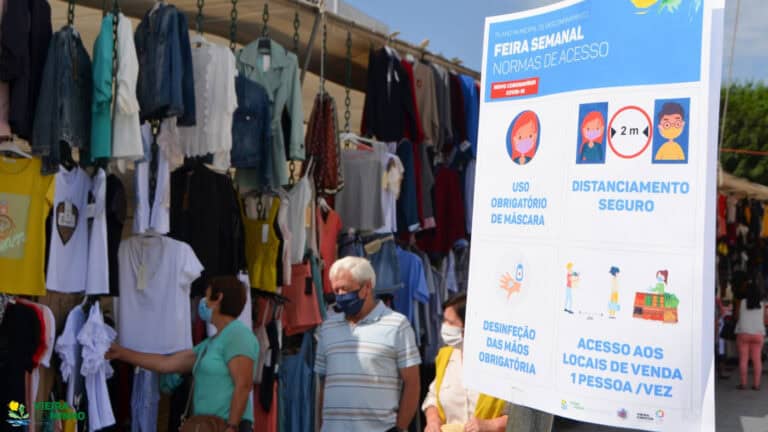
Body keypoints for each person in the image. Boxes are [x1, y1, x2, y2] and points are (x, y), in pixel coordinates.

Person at [106, 276, 259, 432]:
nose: (203, 302)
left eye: (207, 296)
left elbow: (243, 384)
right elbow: (165, 363)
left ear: (218, 298)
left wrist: (232, 426)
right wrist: (121, 353)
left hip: (227, 426)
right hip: (206, 426)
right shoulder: (210, 344)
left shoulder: (238, 334)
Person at [315, 256, 421, 432]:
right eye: (336, 290)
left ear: (367, 287)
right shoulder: (327, 327)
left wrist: (400, 428)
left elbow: (412, 383)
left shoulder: (397, 325)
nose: (340, 295)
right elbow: (324, 384)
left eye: (345, 289)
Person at [423, 293, 508, 432]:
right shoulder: (446, 356)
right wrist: (432, 421)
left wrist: (491, 425)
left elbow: (523, 413)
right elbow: (433, 397)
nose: (445, 327)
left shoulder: (501, 363)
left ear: (469, 326)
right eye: (444, 321)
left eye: (451, 323)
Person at [734, 275, 766, 390]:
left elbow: (736, 316)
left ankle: (743, 384)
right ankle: (756, 385)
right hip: (758, 334)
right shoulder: (762, 305)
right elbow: (765, 319)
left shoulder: (742, 302)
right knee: (757, 360)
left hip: (743, 333)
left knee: (744, 359)